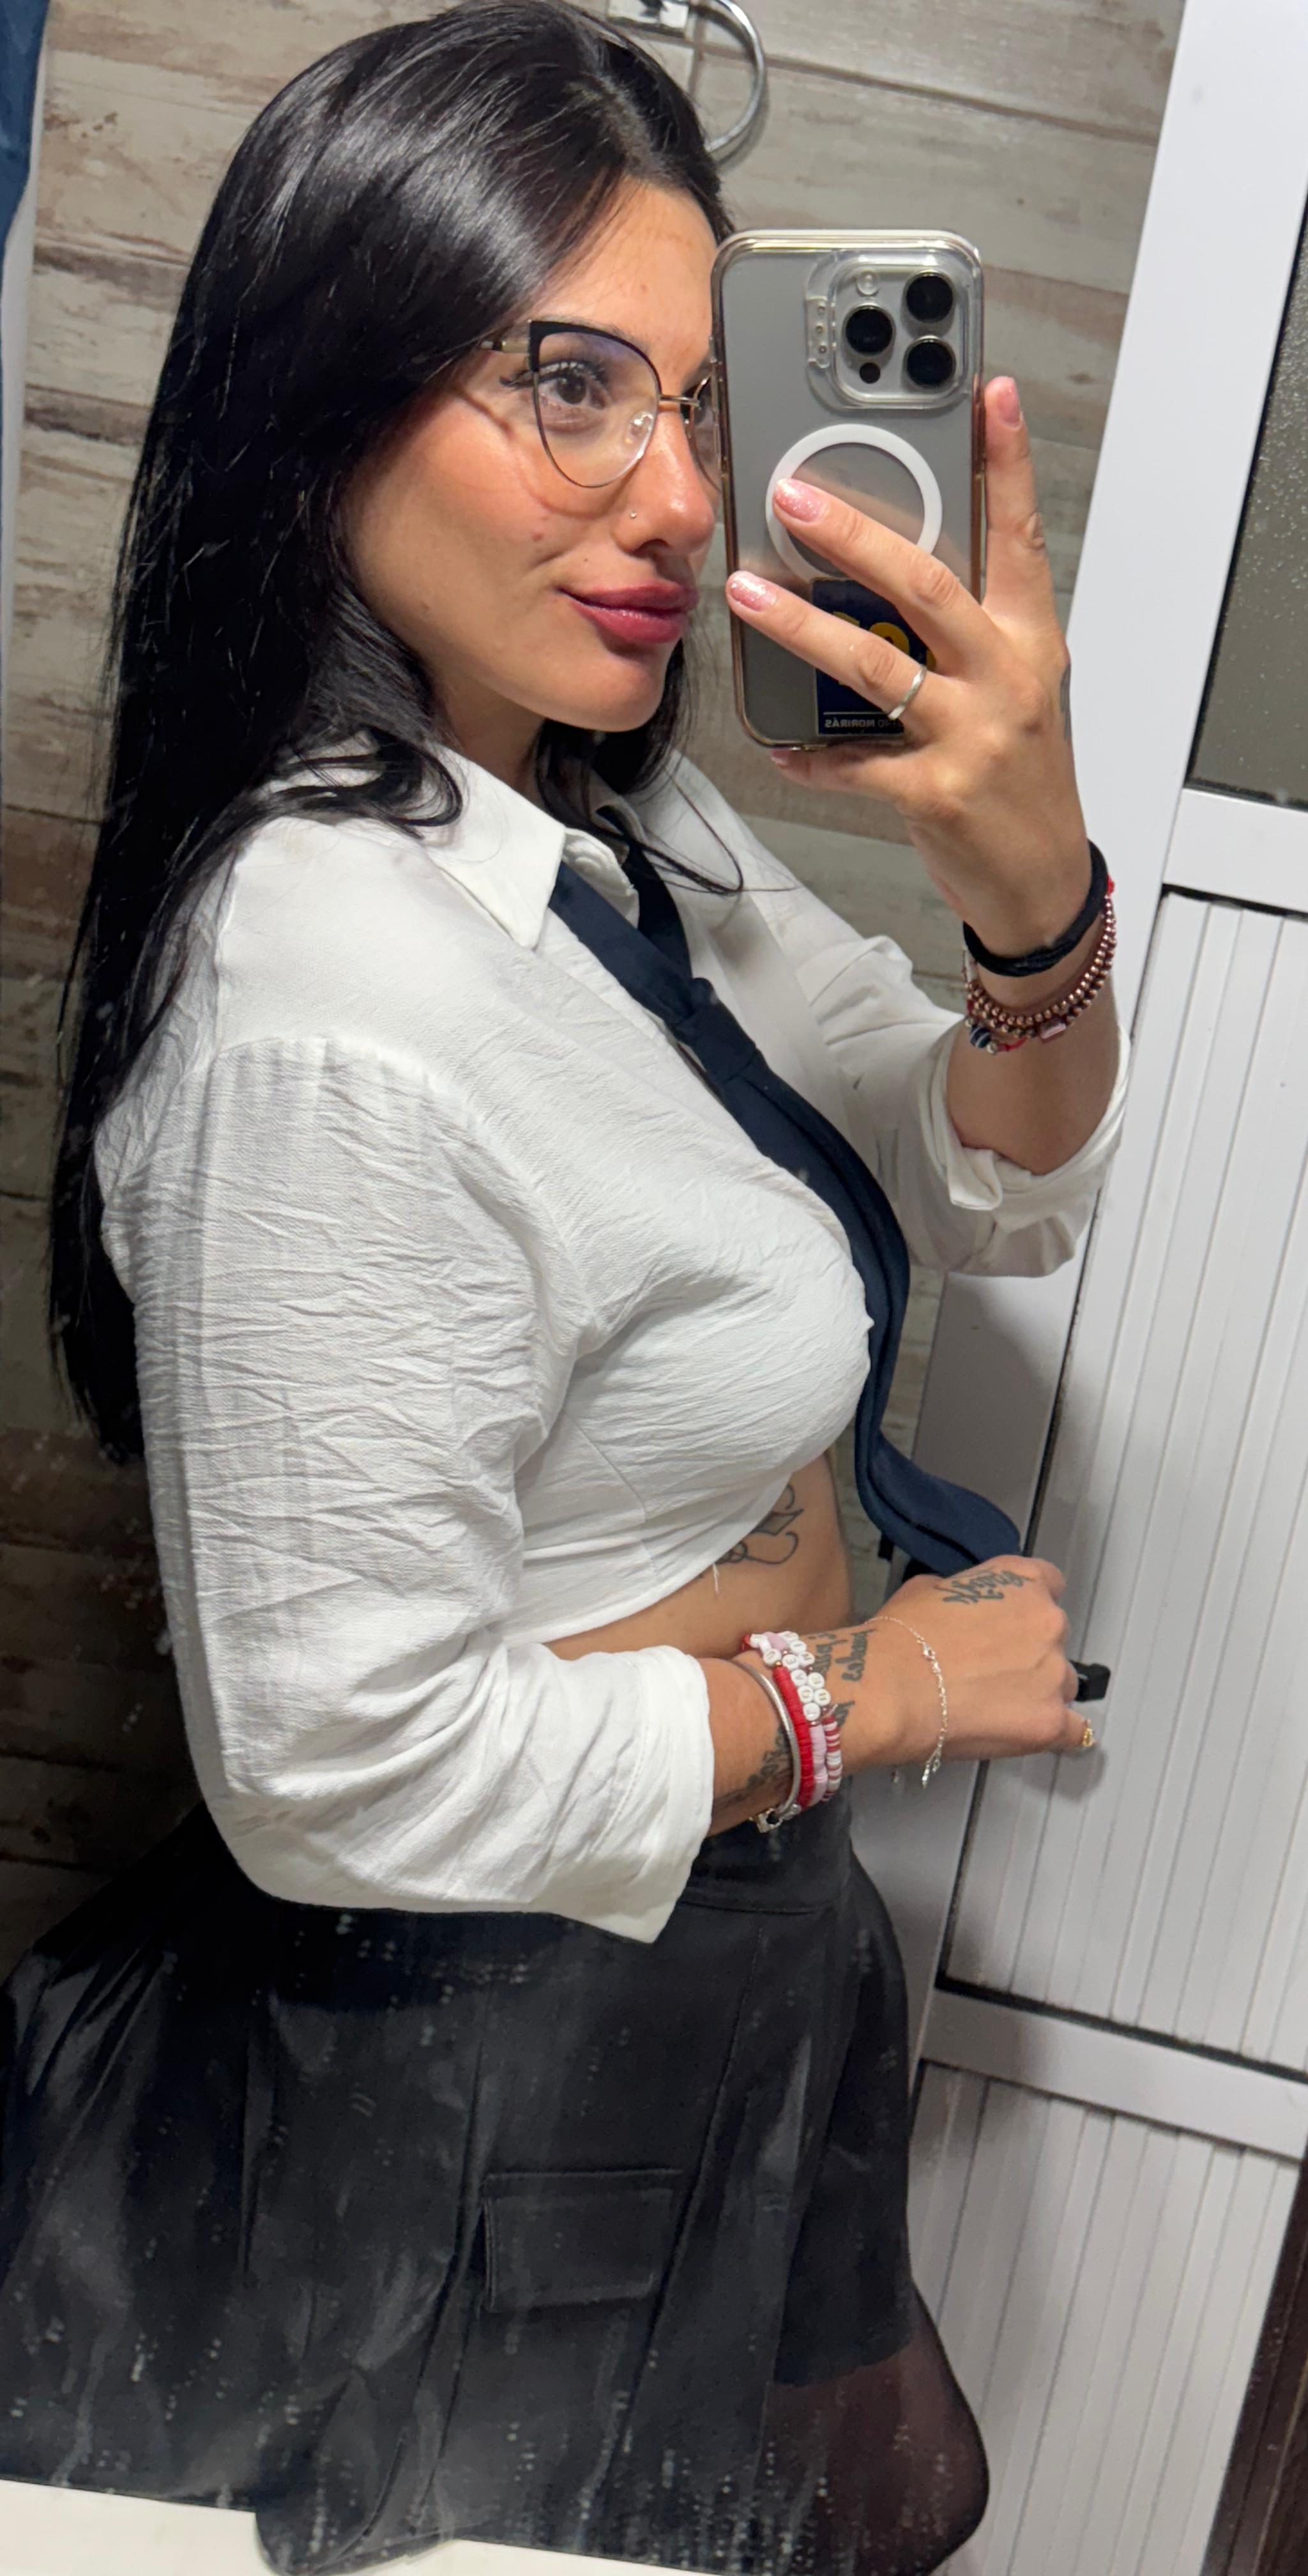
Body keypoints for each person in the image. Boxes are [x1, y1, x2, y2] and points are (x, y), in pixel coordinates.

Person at [0, 7, 1127, 2570]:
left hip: (716, 1922)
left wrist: (1030, 888)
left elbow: (978, 1161)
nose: (681, 498)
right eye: (571, 386)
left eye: (700, 405)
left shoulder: (613, 815)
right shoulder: (332, 993)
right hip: (493, 2025)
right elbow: (337, 1774)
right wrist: (879, 1695)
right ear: (325, 392)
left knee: (890, 2491)